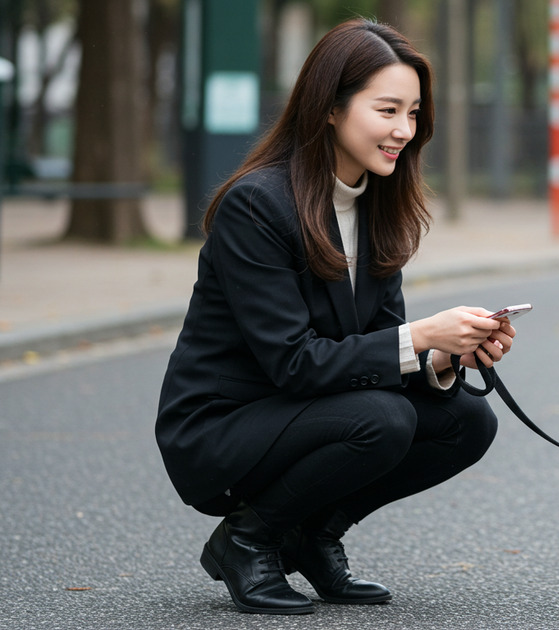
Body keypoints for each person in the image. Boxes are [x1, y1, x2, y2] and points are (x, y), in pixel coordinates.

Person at [155, 19, 516, 615]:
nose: (405, 130)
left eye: (414, 112)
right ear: (329, 108)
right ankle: (246, 541)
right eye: (387, 110)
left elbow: (377, 346)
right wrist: (421, 335)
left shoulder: (377, 205)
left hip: (308, 410)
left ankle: (313, 536)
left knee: (467, 420)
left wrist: (446, 356)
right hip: (223, 426)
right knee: (383, 417)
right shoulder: (257, 205)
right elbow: (294, 363)